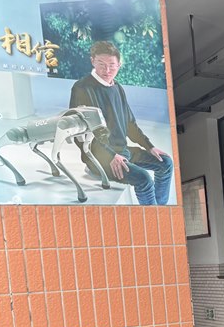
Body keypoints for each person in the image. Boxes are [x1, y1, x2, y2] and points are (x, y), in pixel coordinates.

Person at [69, 40, 173, 206]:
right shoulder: (82, 88)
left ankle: (160, 210)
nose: (107, 70)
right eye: (101, 64)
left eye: (112, 65)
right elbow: (80, 134)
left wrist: (149, 146)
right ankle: (153, 217)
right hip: (100, 156)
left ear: (119, 65)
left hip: (122, 152)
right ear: (92, 61)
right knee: (143, 179)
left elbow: (130, 124)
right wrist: (111, 155)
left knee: (166, 163)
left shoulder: (117, 87)